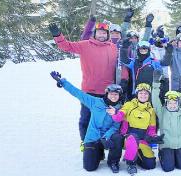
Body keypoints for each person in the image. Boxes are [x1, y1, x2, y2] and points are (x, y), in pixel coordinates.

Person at [48, 21, 126, 149]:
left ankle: (104, 142)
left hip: (107, 93)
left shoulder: (113, 47)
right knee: (85, 118)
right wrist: (58, 36)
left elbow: (121, 64)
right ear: (95, 33)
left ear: (108, 35)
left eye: (104, 33)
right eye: (99, 32)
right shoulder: (85, 45)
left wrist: (123, 79)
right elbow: (66, 46)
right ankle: (86, 143)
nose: (102, 35)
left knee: (106, 120)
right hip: (89, 90)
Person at [50, 72, 123, 172]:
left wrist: (106, 136)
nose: (113, 96)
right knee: (90, 167)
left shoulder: (120, 109)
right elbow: (78, 93)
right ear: (107, 94)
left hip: (107, 137)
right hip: (93, 137)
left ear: (119, 96)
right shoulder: (96, 102)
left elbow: (115, 126)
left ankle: (113, 162)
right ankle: (98, 152)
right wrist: (62, 82)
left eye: (116, 94)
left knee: (118, 137)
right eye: (111, 94)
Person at [111, 83, 163, 174]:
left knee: (150, 165)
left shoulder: (151, 110)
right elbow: (119, 117)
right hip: (127, 138)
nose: (143, 95)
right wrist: (115, 113)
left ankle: (135, 155)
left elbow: (151, 130)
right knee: (133, 136)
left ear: (149, 95)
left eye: (146, 93)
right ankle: (131, 164)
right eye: (141, 93)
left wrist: (154, 137)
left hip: (142, 141)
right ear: (137, 94)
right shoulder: (129, 105)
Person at [152, 74, 181, 172]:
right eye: (170, 103)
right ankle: (162, 153)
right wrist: (156, 84)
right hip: (167, 145)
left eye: (175, 103)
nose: (172, 105)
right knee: (168, 168)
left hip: (180, 145)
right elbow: (155, 100)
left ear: (178, 103)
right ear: (166, 103)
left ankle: (176, 155)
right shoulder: (161, 112)